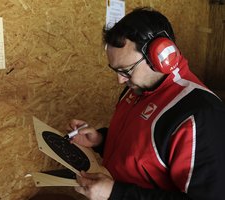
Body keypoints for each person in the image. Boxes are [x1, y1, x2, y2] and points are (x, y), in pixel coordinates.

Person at [66, 7, 225, 200]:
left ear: (161, 57)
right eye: (115, 70)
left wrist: (115, 193)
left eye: (126, 70)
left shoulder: (200, 114)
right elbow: (144, 152)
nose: (120, 80)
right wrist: (100, 140)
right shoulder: (135, 89)